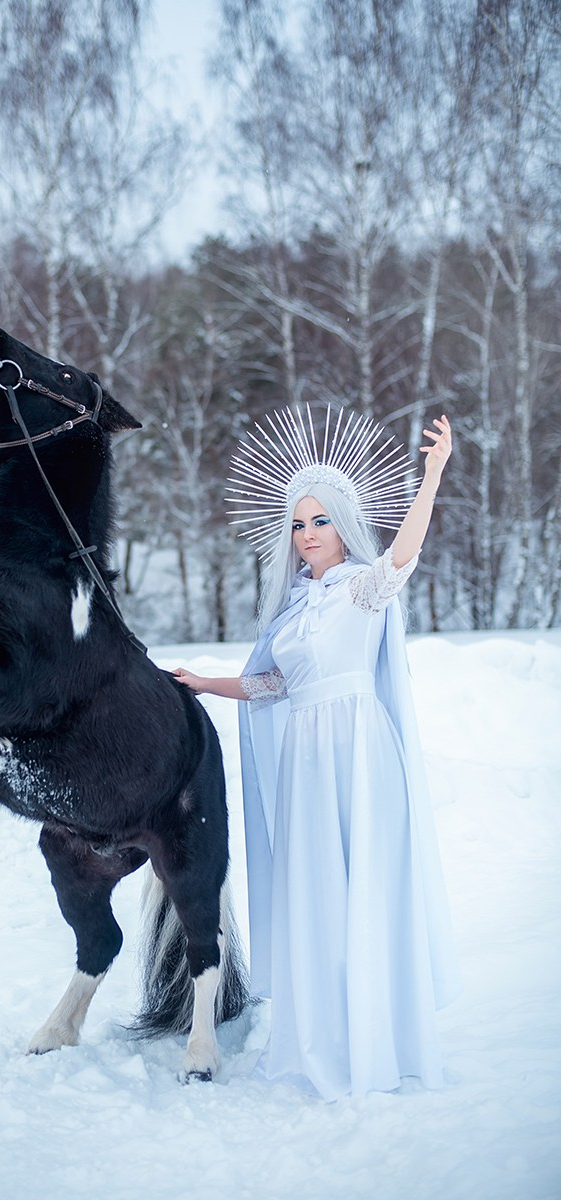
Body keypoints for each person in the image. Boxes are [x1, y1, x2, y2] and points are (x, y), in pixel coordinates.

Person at [174, 408, 461, 1101]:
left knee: (364, 890)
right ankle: (319, 1040)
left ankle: (374, 1042)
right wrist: (207, 682)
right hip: (303, 760)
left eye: (320, 521)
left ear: (342, 522)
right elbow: (274, 684)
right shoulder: (292, 611)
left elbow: (405, 554)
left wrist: (431, 477)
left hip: (360, 754)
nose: (308, 536)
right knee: (315, 896)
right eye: (298, 524)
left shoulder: (364, 587)